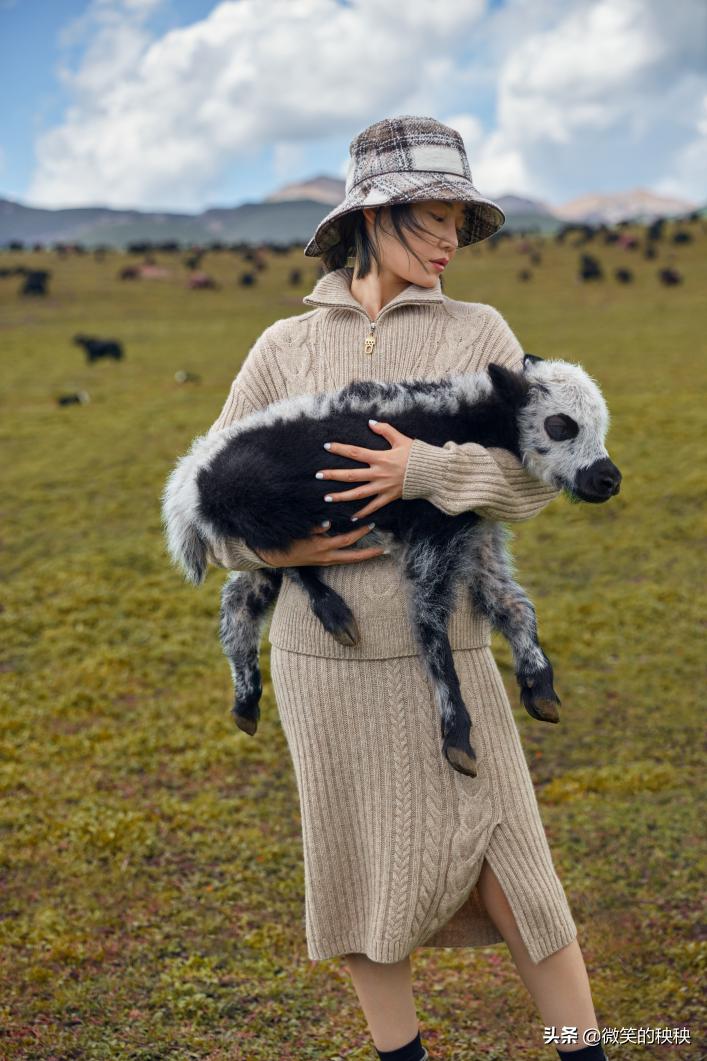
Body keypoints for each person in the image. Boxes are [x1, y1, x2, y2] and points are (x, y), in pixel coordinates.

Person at [204, 117, 608, 1061]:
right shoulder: (284, 347)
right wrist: (294, 548)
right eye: (430, 219)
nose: (446, 242)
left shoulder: (482, 333)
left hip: (451, 659)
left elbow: (530, 485)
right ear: (371, 216)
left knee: (526, 889)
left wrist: (426, 470)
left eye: (458, 224)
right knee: (357, 881)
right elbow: (210, 506)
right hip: (326, 670)